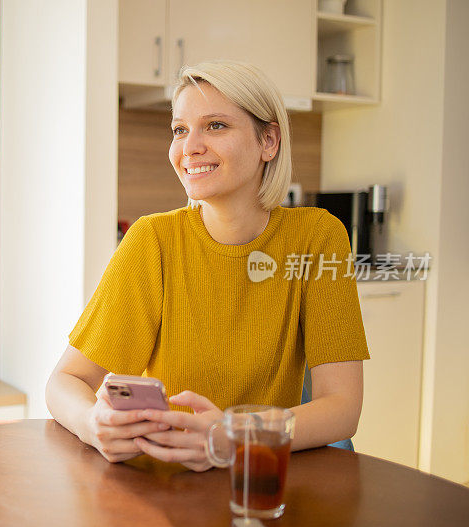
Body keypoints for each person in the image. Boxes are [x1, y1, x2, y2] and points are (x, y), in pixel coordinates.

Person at [45, 60, 370, 472]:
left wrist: (232, 435)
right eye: (180, 129)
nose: (189, 146)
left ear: (268, 141)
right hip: (167, 483)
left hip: (260, 479)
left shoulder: (318, 238)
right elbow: (64, 382)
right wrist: (93, 424)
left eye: (215, 125)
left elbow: (342, 409)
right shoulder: (152, 241)